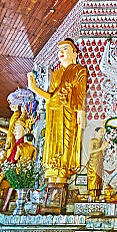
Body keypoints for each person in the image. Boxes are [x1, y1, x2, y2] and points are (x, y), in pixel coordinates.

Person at [28, 38, 87, 182]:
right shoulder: (55, 74)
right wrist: (35, 89)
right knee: (53, 145)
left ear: (75, 53)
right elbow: (52, 98)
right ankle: (52, 183)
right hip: (55, 114)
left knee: (66, 146)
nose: (61, 52)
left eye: (65, 49)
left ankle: (61, 180)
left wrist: (81, 112)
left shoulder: (79, 70)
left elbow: (80, 93)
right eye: (59, 50)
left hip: (69, 113)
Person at [86, 127, 109, 202]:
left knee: (99, 178)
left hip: (99, 162)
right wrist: (101, 148)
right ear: (96, 132)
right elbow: (90, 151)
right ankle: (92, 195)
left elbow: (102, 153)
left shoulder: (102, 142)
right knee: (94, 178)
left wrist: (104, 149)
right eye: (101, 132)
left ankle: (98, 195)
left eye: (103, 132)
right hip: (93, 162)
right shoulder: (93, 140)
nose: (102, 134)